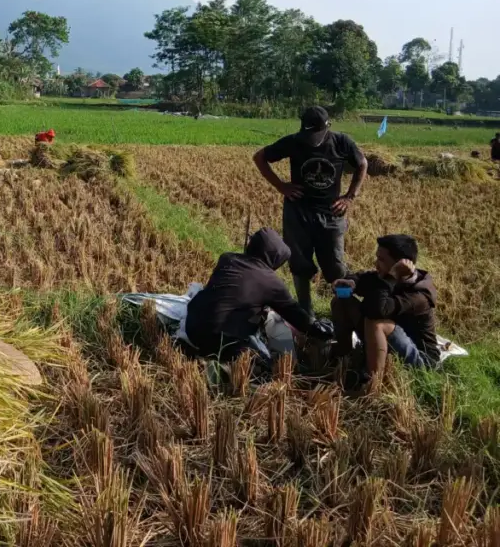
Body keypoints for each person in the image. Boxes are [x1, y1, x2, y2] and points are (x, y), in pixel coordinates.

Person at [253, 106, 368, 317]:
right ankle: (306, 311)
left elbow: (362, 163)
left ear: (327, 127)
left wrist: (350, 196)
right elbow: (259, 157)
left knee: (336, 267)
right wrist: (281, 186)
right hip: (298, 213)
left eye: (316, 134)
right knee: (299, 263)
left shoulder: (341, 142)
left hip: (331, 215)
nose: (311, 139)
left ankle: (344, 309)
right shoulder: (293, 141)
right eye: (308, 134)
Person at [184, 227, 332, 365]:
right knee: (265, 366)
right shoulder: (271, 282)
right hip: (222, 340)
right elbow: (294, 314)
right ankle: (222, 366)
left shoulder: (227, 258)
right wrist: (317, 329)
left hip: (192, 326)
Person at [331, 234, 439, 379]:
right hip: (388, 343)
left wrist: (391, 277)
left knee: (376, 323)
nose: (376, 264)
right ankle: (344, 356)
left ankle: (371, 383)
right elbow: (363, 278)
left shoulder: (419, 296)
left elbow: (378, 310)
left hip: (420, 358)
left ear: (400, 265)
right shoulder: (382, 277)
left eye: (381, 260)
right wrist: (350, 283)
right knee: (342, 300)